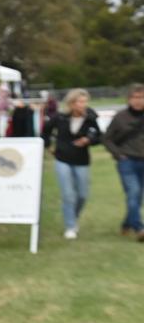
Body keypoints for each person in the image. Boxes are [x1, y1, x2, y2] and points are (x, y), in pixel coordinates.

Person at [41, 88, 100, 239]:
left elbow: (98, 136)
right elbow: (45, 132)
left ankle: (73, 217)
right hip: (62, 159)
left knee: (82, 195)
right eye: (80, 101)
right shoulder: (59, 118)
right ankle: (70, 226)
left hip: (81, 160)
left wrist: (88, 140)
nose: (83, 104)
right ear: (72, 103)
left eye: (85, 101)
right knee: (68, 195)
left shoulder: (91, 118)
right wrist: (49, 146)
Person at [103, 83, 144, 240]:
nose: (138, 101)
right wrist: (118, 154)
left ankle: (126, 224)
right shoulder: (120, 117)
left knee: (137, 196)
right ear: (128, 99)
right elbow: (106, 138)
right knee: (133, 193)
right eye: (135, 97)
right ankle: (139, 228)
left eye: (141, 97)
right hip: (127, 161)